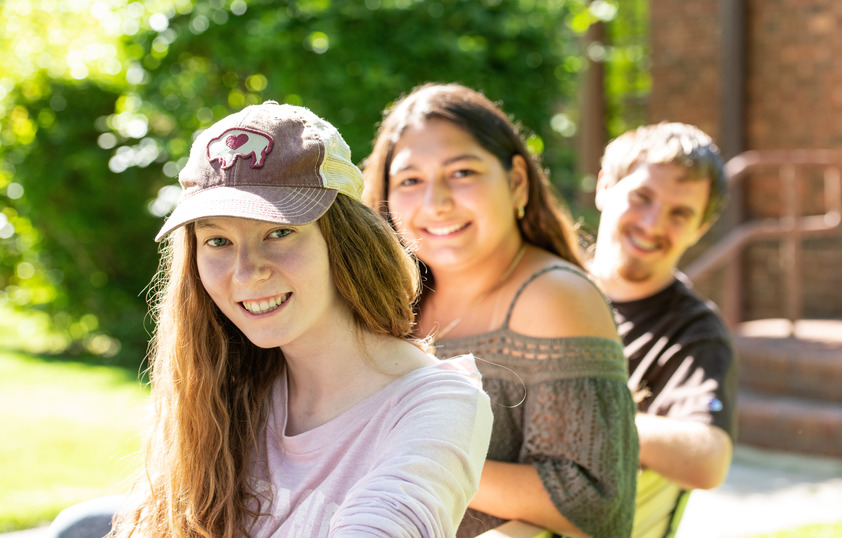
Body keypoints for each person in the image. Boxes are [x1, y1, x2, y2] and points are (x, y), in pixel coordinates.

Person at [50, 101, 493, 538]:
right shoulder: (230, 381)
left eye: (279, 232)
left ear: (345, 241)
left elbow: (395, 518)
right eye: (218, 241)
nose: (246, 272)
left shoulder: (440, 406)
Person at [362, 83, 639, 538]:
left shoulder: (552, 296)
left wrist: (408, 456)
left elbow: (593, 500)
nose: (436, 202)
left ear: (515, 182)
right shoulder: (390, 303)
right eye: (410, 181)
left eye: (462, 172)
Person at [589, 122, 738, 537]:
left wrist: (579, 413)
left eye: (680, 213)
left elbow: (708, 460)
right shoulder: (540, 285)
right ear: (605, 187)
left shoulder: (694, 333)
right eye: (642, 197)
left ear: (700, 230)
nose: (653, 224)